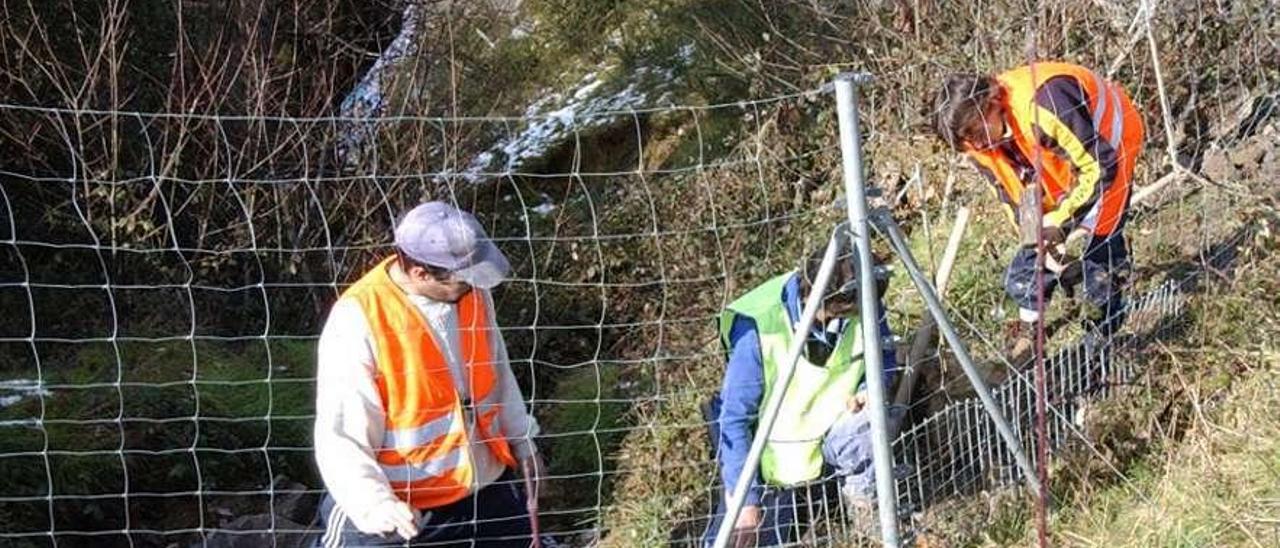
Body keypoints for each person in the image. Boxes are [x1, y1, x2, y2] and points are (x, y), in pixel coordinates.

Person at [313, 201, 543, 547]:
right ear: (421, 273)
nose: (473, 287)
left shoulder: (473, 295)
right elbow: (340, 434)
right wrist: (374, 503)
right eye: (462, 280)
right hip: (404, 507)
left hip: (484, 486)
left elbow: (498, 374)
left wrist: (525, 445)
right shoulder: (358, 319)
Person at [931, 61, 1144, 363]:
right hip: (1059, 166)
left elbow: (1100, 165)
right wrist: (1038, 238)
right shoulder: (976, 144)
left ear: (991, 101)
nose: (976, 144)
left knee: (1100, 257)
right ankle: (1031, 333)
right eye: (966, 141)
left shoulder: (1045, 102)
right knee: (1025, 269)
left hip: (1109, 145)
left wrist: (1061, 222)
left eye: (975, 132)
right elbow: (1009, 193)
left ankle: (1102, 339)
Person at [702, 246, 898, 547]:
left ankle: (871, 514)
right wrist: (747, 500)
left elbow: (884, 359)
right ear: (820, 300)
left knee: (870, 422)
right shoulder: (758, 328)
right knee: (738, 538)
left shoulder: (862, 298)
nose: (862, 318)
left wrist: (867, 392)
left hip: (831, 444)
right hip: (769, 468)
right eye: (841, 315)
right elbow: (735, 420)